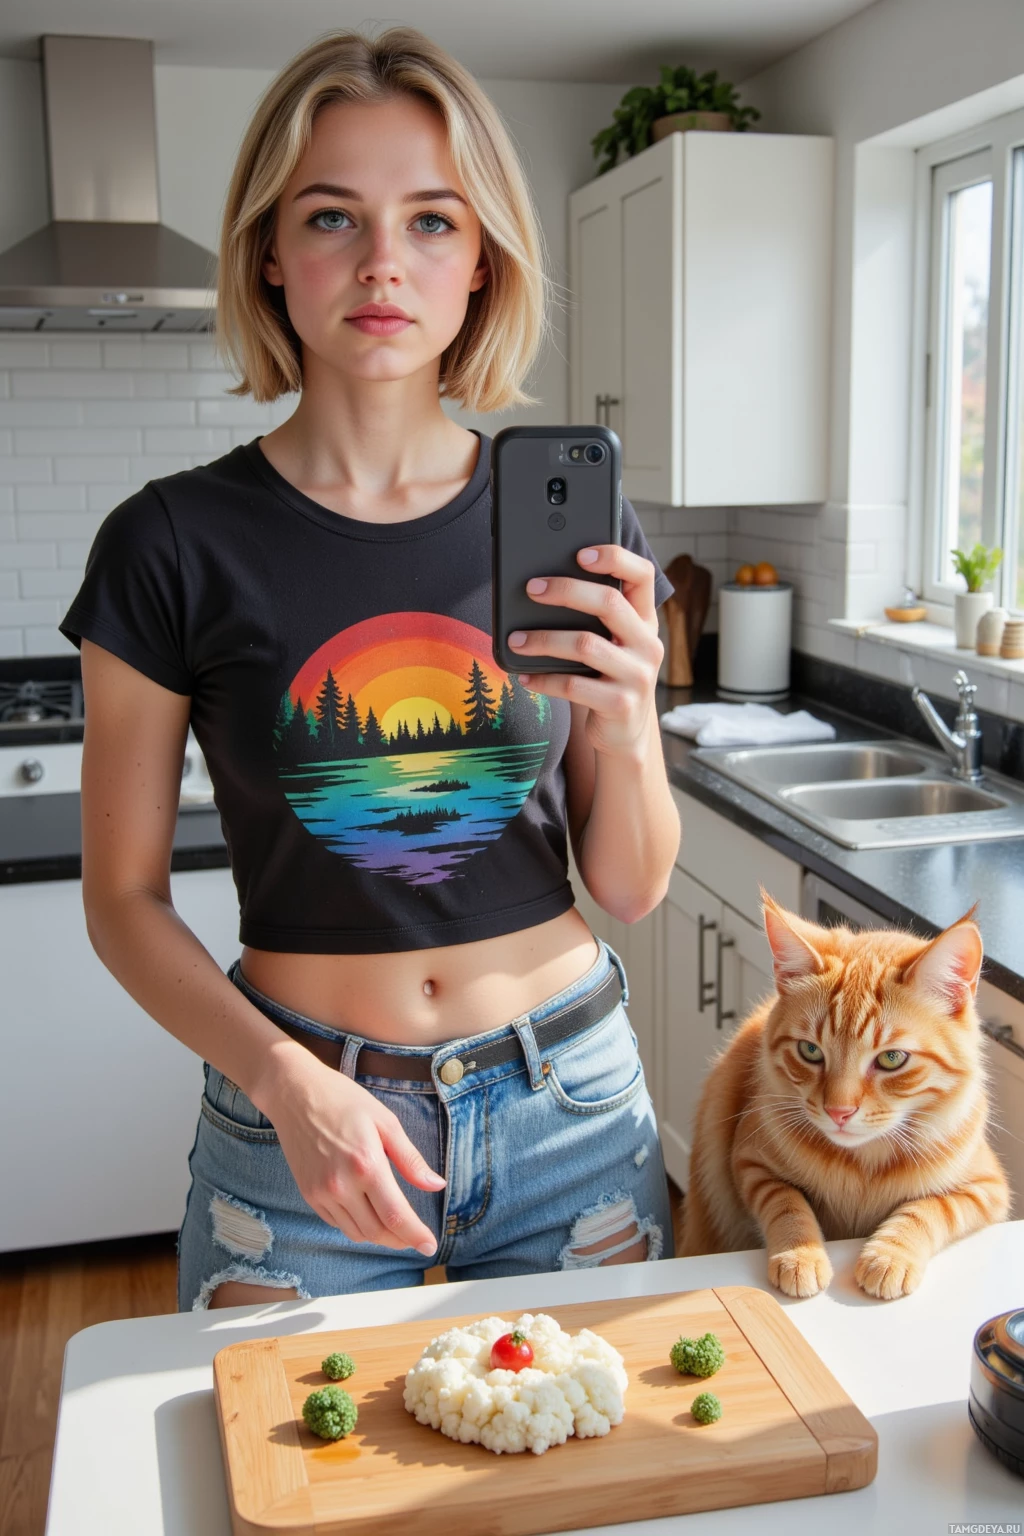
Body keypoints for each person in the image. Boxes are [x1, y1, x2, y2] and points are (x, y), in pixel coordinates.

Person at [59, 27, 681, 1311]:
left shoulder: (579, 534)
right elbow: (122, 902)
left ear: (483, 262)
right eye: (334, 216)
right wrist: (291, 1087)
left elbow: (627, 884)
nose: (385, 262)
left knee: (596, 1501)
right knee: (281, 1501)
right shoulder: (168, 542)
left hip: (569, 1097)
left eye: (434, 222)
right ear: (271, 256)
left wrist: (625, 721)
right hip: (301, 1119)